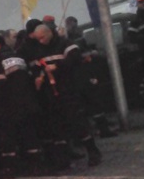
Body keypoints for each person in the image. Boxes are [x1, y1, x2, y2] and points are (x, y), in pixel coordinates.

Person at [28, 24, 102, 170]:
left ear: (49, 33)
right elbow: (37, 66)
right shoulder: (39, 49)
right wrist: (38, 76)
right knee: (57, 126)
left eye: (43, 37)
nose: (41, 41)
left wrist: (58, 66)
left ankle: (93, 153)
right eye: (38, 39)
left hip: (68, 90)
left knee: (78, 122)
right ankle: (63, 159)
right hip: (50, 92)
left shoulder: (65, 44)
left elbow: (76, 59)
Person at [0, 34, 44, 176]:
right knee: (29, 135)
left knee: (8, 137)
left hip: (8, 105)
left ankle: (11, 168)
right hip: (26, 102)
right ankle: (36, 165)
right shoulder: (17, 56)